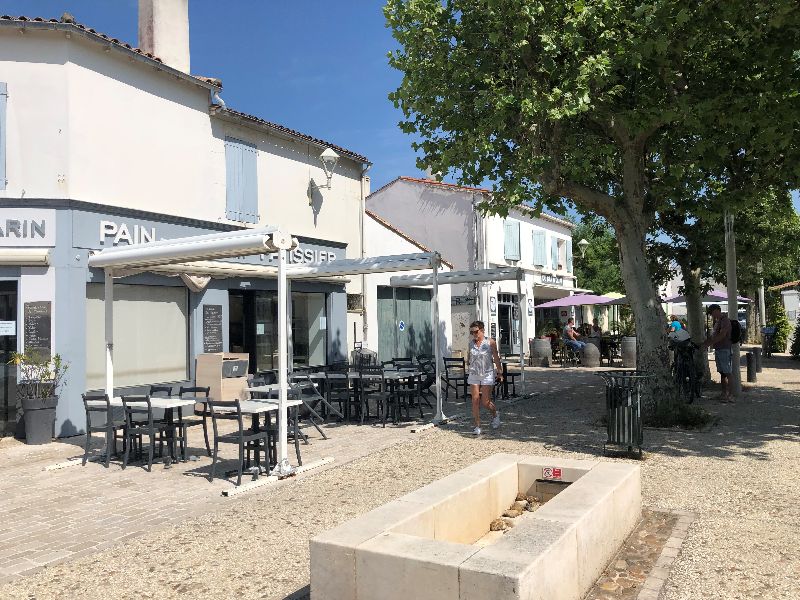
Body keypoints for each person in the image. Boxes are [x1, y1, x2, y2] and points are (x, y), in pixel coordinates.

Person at [467, 320, 502, 435]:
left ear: (482, 330)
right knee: (475, 400)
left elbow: (496, 358)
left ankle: (495, 414)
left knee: (485, 402)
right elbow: (469, 356)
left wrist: (499, 372)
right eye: (472, 332)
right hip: (474, 373)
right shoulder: (471, 343)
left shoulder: (490, 342)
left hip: (487, 373)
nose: (474, 334)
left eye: (476, 332)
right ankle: (477, 426)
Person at [701, 304, 733, 402]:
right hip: (719, 349)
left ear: (717, 310)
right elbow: (713, 336)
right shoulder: (717, 322)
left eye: (712, 312)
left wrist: (709, 343)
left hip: (725, 349)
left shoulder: (725, 321)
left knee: (727, 373)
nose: (711, 315)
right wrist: (704, 343)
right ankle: (723, 394)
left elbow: (722, 334)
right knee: (722, 373)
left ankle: (730, 395)